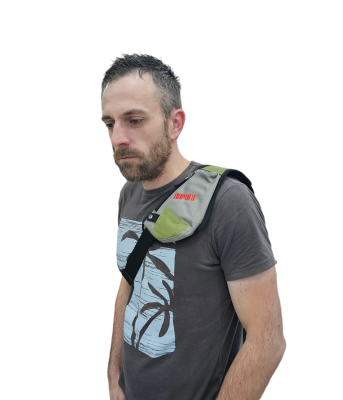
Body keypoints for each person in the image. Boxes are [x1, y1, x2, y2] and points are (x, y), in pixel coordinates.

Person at [101, 54, 286, 400]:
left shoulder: (227, 202)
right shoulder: (130, 193)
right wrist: (114, 374)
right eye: (110, 123)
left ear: (175, 124)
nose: (117, 138)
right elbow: (129, 281)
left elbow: (267, 341)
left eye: (134, 120)